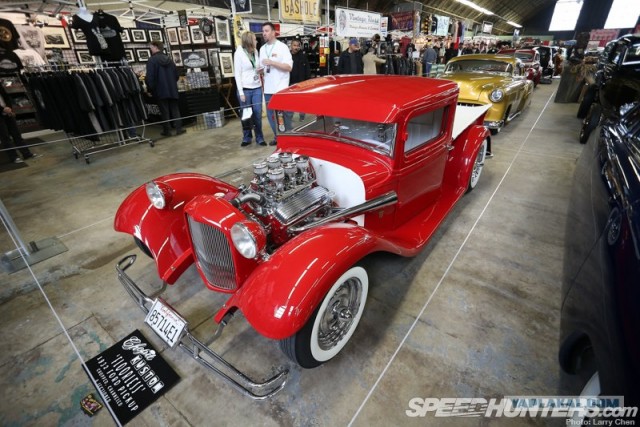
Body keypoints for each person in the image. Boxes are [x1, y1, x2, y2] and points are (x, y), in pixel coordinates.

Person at [259, 22, 292, 146]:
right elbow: (262, 67)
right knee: (271, 116)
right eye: (263, 31)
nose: (264, 33)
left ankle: (288, 137)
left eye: (266, 31)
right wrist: (260, 70)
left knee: (284, 115)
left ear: (273, 32)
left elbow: (289, 67)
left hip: (281, 88)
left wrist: (272, 63)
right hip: (268, 88)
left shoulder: (282, 47)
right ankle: (278, 137)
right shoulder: (262, 49)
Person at [145, 40, 184, 136]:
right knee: (175, 109)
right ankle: (179, 129)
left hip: (160, 90)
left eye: (151, 47)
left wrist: (151, 89)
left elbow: (150, 78)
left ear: (155, 47)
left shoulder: (151, 60)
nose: (150, 49)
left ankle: (167, 131)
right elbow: (176, 76)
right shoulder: (169, 59)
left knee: (164, 111)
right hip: (172, 89)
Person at [234, 31, 266, 146]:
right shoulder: (239, 53)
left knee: (257, 113)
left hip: (257, 87)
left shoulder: (255, 52)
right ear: (249, 41)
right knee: (246, 114)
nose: (256, 41)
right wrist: (241, 92)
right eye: (254, 39)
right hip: (245, 89)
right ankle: (247, 137)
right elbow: (237, 74)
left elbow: (256, 67)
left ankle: (259, 137)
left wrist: (260, 70)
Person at [0, 85, 39, 164]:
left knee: (16, 134)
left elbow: (6, 96)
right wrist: (3, 109)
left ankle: (26, 154)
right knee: (5, 137)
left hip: (8, 112)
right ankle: (14, 157)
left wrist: (10, 109)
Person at [287, 39, 311, 123]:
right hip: (289, 82)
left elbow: (307, 69)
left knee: (301, 101)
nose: (296, 47)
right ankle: (289, 116)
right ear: (291, 46)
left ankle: (302, 116)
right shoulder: (287, 55)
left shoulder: (303, 56)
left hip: (301, 83)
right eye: (294, 45)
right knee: (290, 102)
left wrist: (308, 81)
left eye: (298, 45)